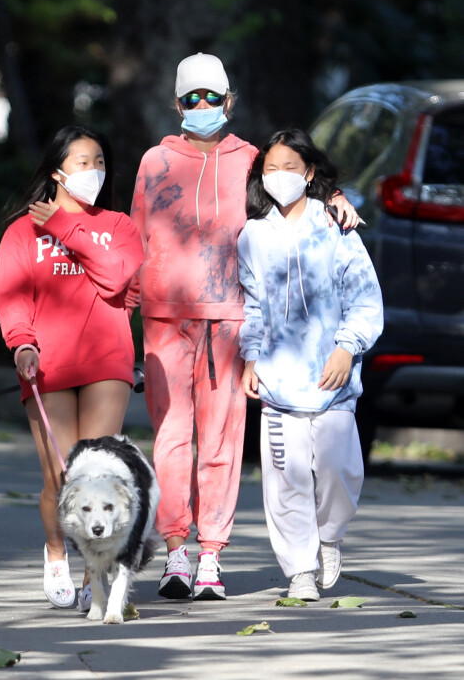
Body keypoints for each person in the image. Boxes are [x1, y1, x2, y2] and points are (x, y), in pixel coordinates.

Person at [127, 53, 359, 601]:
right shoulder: (153, 161)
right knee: (172, 438)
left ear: (229, 101)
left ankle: (212, 556)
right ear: (176, 103)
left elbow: (294, 183)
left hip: (232, 320)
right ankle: (175, 552)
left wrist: (336, 197)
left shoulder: (252, 159)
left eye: (212, 97)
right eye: (192, 98)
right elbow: (135, 239)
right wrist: (122, 319)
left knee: (224, 441)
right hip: (165, 318)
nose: (202, 107)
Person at [0, 124, 144, 611]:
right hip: (46, 364)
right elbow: (11, 295)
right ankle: (56, 551)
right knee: (60, 478)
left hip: (107, 360)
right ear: (58, 170)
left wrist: (63, 225)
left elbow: (117, 276)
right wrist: (21, 344)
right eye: (83, 161)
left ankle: (90, 575)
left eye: (100, 161)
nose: (94, 170)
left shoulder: (119, 226)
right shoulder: (21, 231)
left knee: (96, 475)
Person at [237, 128, 383, 601]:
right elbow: (253, 305)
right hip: (279, 383)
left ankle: (329, 537)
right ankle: (300, 568)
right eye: (271, 169)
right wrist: (250, 357)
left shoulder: (337, 225)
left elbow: (365, 297)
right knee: (285, 478)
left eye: (290, 168)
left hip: (333, 378)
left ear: (310, 172)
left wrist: (347, 346)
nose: (280, 177)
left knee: (341, 470)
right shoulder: (253, 235)